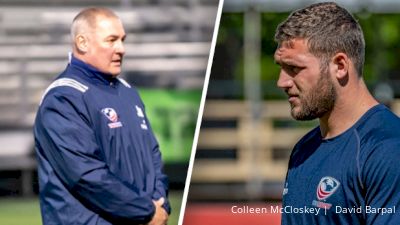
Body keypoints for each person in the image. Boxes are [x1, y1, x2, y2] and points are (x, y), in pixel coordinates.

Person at [34, 7, 169, 225]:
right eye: (112, 40)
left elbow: (152, 157)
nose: (121, 49)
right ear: (82, 43)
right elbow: (85, 176)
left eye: (123, 40)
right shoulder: (63, 97)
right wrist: (146, 212)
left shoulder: (127, 92)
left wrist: (160, 204)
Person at [274, 2, 400, 224]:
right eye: (280, 67)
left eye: (294, 68)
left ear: (340, 66)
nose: (281, 82)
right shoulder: (304, 148)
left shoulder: (388, 150)